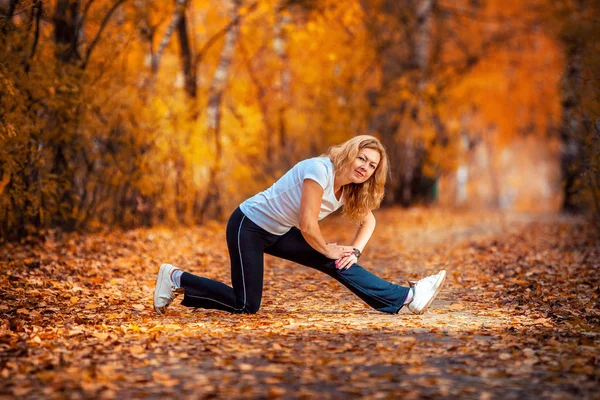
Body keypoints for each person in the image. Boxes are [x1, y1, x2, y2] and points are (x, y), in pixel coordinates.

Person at [153, 135, 446, 316]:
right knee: (246, 304)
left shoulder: (350, 189)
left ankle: (406, 297)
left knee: (340, 262)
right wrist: (328, 250)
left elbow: (369, 220)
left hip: (279, 231)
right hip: (249, 225)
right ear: (350, 151)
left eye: (371, 166)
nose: (365, 168)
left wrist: (353, 252)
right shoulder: (319, 170)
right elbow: (307, 224)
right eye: (362, 158)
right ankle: (177, 278)